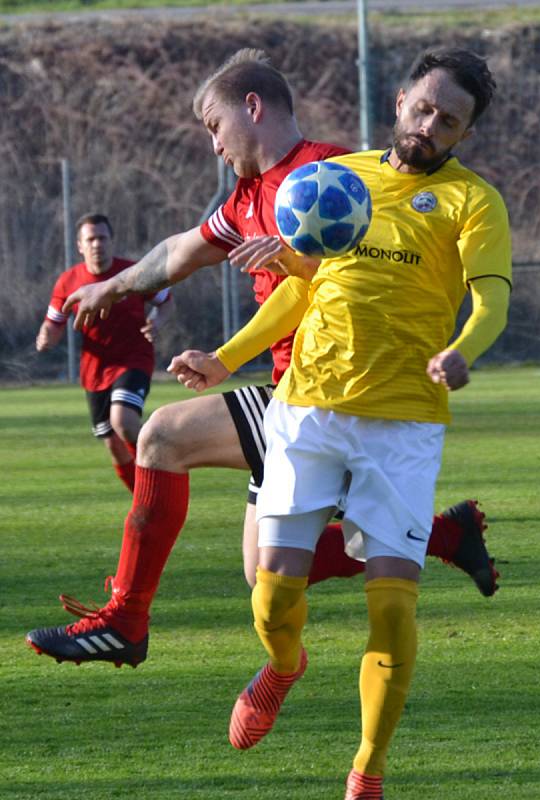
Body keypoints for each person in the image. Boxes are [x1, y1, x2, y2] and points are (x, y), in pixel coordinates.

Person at [26, 50, 498, 676]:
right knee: (261, 574)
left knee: (162, 436)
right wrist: (109, 288)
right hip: (292, 390)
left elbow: (357, 273)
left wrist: (301, 266)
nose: (213, 143)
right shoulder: (251, 196)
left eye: (215, 125)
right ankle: (442, 536)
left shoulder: (329, 174)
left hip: (329, 393)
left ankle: (125, 620)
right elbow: (179, 252)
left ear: (252, 108)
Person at [167, 48, 512, 800]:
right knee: (270, 596)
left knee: (391, 605)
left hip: (405, 426)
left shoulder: (472, 202)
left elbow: (491, 302)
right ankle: (284, 665)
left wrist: (462, 350)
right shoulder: (337, 178)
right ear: (400, 101)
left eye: (450, 121)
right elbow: (305, 290)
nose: (432, 126)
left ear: (463, 133)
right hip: (309, 412)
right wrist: (228, 358)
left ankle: (366, 773)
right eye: (424, 108)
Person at [35, 213, 172, 492]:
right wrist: (46, 336)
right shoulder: (68, 282)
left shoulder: (132, 273)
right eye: (91, 239)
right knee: (114, 446)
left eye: (102, 238)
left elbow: (166, 301)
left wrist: (157, 321)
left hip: (134, 359)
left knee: (122, 420)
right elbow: (54, 323)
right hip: (95, 371)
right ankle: (144, 498)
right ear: (80, 245)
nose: (97, 244)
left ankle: (165, 470)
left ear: (111, 241)